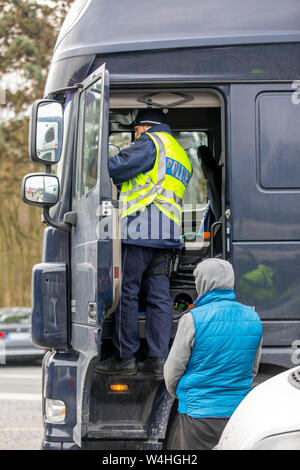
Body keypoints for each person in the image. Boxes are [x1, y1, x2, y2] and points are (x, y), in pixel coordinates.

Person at [95, 108, 192, 378]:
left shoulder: (152, 142)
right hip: (166, 233)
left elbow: (116, 167)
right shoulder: (181, 154)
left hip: (140, 229)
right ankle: (158, 359)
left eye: (136, 131)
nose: (136, 136)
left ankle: (125, 358)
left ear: (145, 127)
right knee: (158, 296)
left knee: (126, 290)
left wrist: (91, 165)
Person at [163, 258, 263, 450]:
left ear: (202, 282)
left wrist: (187, 397)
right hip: (237, 413)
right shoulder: (253, 318)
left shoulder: (192, 319)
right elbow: (253, 369)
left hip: (198, 414)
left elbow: (172, 372)